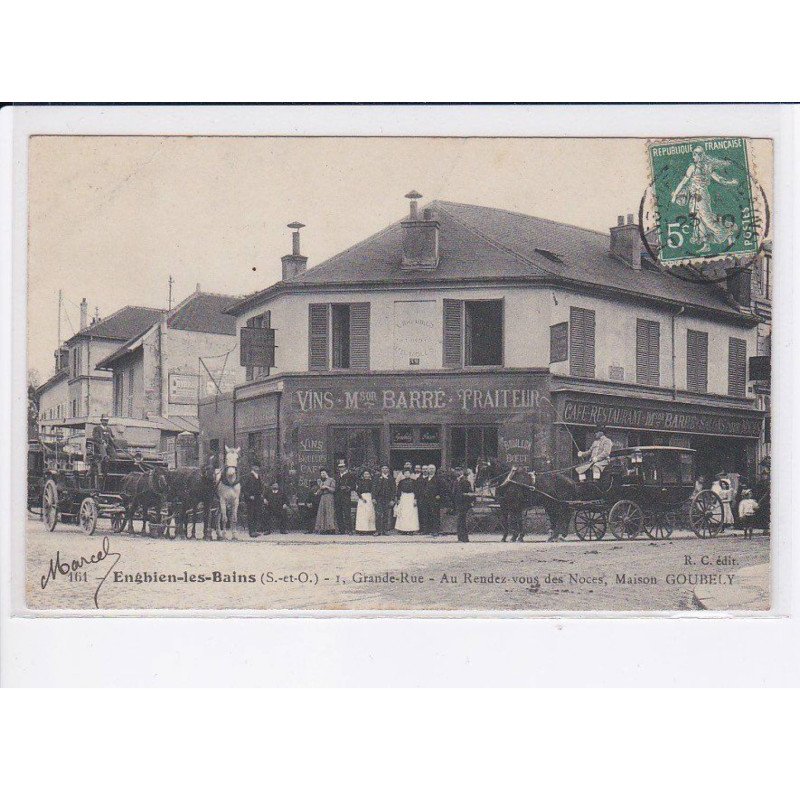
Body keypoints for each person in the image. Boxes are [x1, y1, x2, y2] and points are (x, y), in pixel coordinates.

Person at [91, 413, 117, 487]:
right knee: (102, 446)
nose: (106, 422)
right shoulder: (97, 428)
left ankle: (113, 458)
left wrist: (113, 440)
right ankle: (105, 457)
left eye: (107, 421)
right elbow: (95, 437)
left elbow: (112, 437)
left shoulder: (109, 429)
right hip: (99, 445)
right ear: (101, 420)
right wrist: (101, 441)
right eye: (104, 420)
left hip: (107, 444)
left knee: (112, 449)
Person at [242, 462, 265, 537]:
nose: (257, 468)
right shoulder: (248, 476)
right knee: (251, 515)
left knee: (256, 514)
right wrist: (249, 496)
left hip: (258, 498)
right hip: (251, 499)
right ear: (253, 467)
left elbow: (261, 486)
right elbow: (244, 488)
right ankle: (251, 532)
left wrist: (261, 494)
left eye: (258, 467)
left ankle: (255, 530)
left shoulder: (258, 476)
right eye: (256, 467)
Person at [394, 467, 419, 534]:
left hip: (411, 497)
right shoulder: (401, 482)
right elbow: (398, 491)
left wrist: (415, 499)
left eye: (408, 473)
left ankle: (411, 529)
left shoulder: (414, 481)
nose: (407, 474)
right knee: (403, 513)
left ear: (410, 474)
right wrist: (398, 499)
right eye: (405, 473)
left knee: (411, 513)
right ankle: (403, 529)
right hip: (404, 497)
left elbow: (416, 490)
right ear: (403, 474)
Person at [420, 464, 444, 536]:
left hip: (434, 500)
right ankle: (426, 530)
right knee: (426, 514)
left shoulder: (438, 479)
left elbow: (443, 488)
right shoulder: (425, 479)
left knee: (435, 515)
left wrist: (439, 495)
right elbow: (422, 489)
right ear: (427, 470)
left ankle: (435, 530)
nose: (431, 470)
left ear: (435, 470)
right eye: (430, 469)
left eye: (432, 468)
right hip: (426, 500)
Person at [334, 459, 356, 534]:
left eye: (342, 467)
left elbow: (353, 486)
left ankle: (349, 530)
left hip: (346, 496)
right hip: (337, 496)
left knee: (347, 513)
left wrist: (347, 487)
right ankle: (341, 530)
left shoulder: (350, 475)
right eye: (339, 467)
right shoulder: (336, 476)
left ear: (345, 467)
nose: (341, 468)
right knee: (338, 513)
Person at [452, 466, 473, 543]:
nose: (456, 472)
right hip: (458, 504)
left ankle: (463, 538)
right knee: (460, 521)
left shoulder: (465, 481)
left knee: (461, 521)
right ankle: (461, 538)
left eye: (458, 471)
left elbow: (469, 493)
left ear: (461, 472)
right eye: (455, 471)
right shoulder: (456, 481)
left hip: (463, 504)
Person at [373, 465, 395, 535]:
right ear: (381, 469)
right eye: (383, 468)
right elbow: (373, 488)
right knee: (378, 514)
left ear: (388, 470)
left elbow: (393, 490)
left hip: (387, 498)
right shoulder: (377, 477)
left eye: (386, 468)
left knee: (386, 514)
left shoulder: (391, 478)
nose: (384, 469)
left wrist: (392, 499)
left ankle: (385, 530)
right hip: (379, 498)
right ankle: (378, 530)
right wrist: (373, 498)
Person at [314, 469, 336, 534]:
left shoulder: (331, 480)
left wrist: (327, 487)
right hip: (323, 497)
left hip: (329, 496)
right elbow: (320, 490)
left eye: (324, 473)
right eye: (321, 473)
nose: (322, 474)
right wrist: (317, 492)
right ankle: (323, 528)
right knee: (322, 512)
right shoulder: (321, 481)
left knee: (329, 512)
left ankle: (331, 528)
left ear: (327, 473)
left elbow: (333, 490)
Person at [355, 470, 377, 535]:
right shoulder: (360, 482)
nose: (366, 475)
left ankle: (370, 529)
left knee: (370, 513)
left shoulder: (372, 482)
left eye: (367, 474)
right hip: (362, 498)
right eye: (365, 474)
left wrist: (373, 498)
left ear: (370, 475)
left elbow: (374, 490)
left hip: (370, 497)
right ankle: (361, 529)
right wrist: (362, 498)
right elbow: (358, 491)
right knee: (362, 514)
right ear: (363, 475)